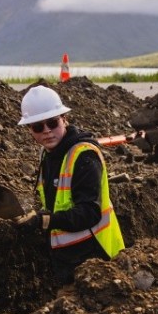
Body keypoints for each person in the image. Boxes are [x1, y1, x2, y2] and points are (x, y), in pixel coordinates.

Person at [17, 85, 125, 284]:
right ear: (30, 130)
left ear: (64, 119)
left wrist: (45, 221)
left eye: (52, 123)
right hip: (67, 258)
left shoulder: (83, 155)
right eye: (38, 127)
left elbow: (90, 212)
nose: (47, 131)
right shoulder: (47, 154)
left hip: (95, 260)